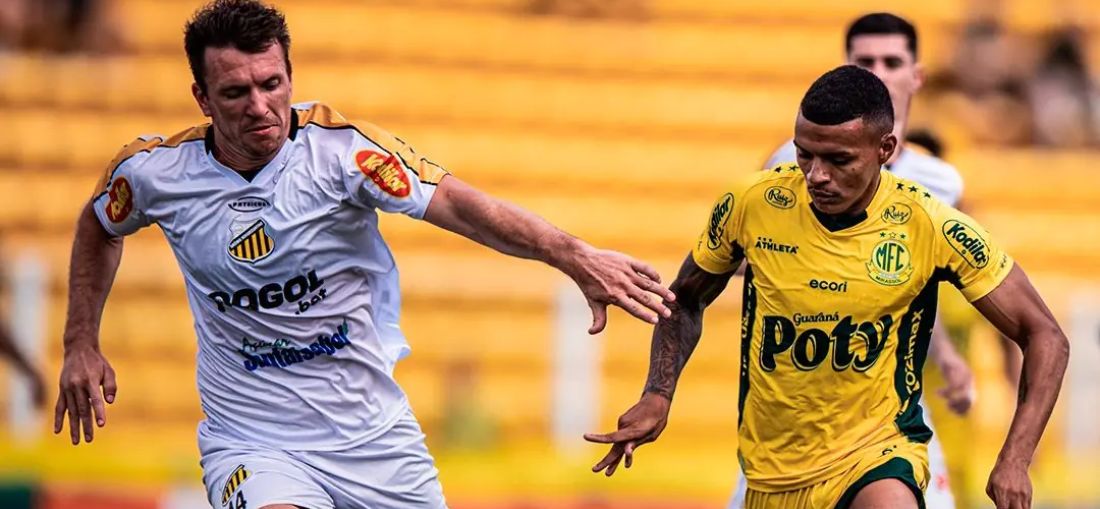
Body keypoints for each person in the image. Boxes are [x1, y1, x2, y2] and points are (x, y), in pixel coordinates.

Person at [51, 1, 675, 508]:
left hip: (373, 437)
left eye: (273, 84)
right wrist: (81, 340)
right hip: (253, 441)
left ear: (291, 75)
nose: (261, 106)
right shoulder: (158, 174)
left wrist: (572, 255)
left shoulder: (342, 153)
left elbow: (457, 205)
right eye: (236, 91)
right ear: (202, 97)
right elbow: (99, 222)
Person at [585, 65, 1069, 509]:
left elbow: (1045, 335)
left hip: (878, 453)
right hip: (771, 472)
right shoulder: (752, 203)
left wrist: (1015, 457)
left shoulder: (930, 224)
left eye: (838, 159)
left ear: (886, 150)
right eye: (804, 154)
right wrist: (658, 393)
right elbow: (688, 297)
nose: (817, 175)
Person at [747, 13, 975, 508]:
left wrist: (948, 357)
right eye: (863, 61)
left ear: (916, 75)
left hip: (888, 408)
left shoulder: (940, 183)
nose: (878, 72)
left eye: (891, 61)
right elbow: (749, 259)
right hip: (797, 410)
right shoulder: (787, 163)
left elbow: (907, 285)